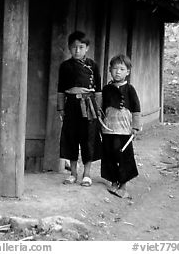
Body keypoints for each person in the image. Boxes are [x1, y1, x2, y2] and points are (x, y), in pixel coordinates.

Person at [57, 30, 102, 187]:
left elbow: (98, 90)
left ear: (87, 48)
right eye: (74, 47)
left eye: (81, 47)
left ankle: (87, 174)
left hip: (89, 105)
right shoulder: (65, 67)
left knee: (88, 138)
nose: (77, 50)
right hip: (71, 106)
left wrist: (98, 109)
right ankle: (73, 173)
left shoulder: (93, 66)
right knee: (71, 138)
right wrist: (61, 109)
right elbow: (61, 90)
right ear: (69, 48)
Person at [100, 54, 142, 198]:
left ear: (128, 72)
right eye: (115, 68)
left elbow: (136, 109)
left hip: (124, 130)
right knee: (109, 155)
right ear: (109, 70)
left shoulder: (130, 89)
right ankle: (113, 181)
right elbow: (100, 109)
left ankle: (123, 184)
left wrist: (135, 127)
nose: (118, 72)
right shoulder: (106, 89)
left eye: (122, 69)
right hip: (108, 128)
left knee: (124, 156)